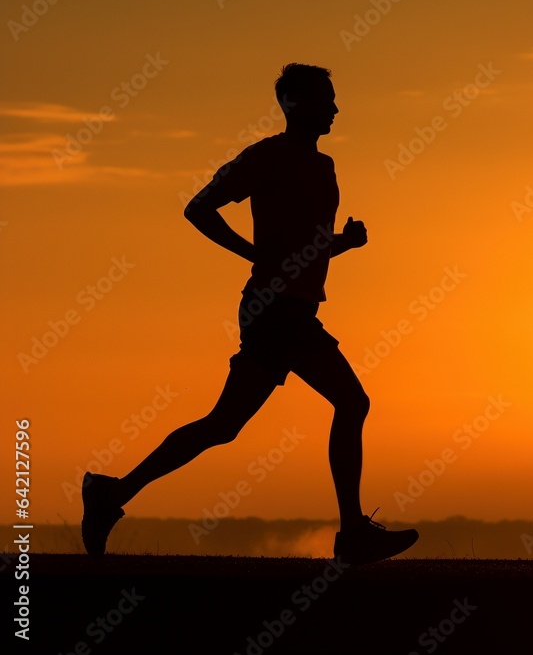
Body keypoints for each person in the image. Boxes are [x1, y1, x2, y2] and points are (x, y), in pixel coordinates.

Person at [81, 63, 418, 564]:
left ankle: (112, 495)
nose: (335, 108)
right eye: (326, 99)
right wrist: (251, 254)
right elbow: (199, 207)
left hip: (295, 310)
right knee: (351, 402)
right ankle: (351, 534)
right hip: (273, 311)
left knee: (223, 425)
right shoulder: (266, 156)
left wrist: (343, 243)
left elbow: (304, 248)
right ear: (294, 103)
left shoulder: (323, 167)